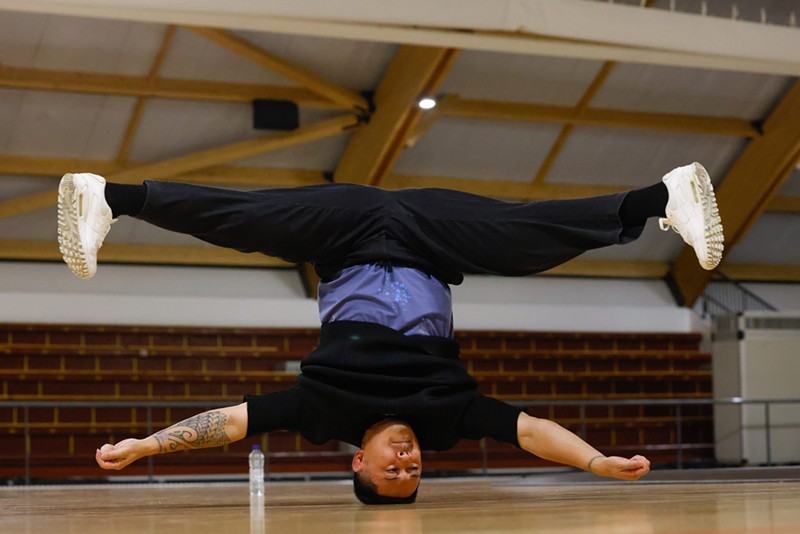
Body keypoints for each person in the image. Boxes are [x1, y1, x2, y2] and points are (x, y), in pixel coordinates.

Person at [56, 162, 723, 504]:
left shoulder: (324, 409)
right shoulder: (446, 416)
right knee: (521, 239)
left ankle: (110, 196)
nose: (406, 460)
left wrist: (146, 446)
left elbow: (230, 424)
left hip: (343, 232)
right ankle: (664, 198)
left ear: (358, 462)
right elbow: (528, 430)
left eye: (391, 470)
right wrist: (597, 462)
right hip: (430, 238)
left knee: (249, 221)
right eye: (413, 471)